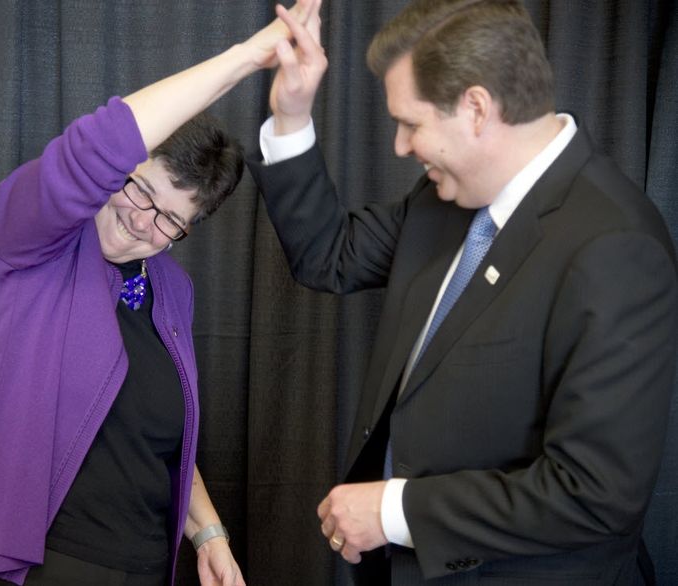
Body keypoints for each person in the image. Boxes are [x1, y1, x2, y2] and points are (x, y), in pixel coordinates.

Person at [248, 0, 678, 583]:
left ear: (477, 108)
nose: (400, 146)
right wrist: (291, 114)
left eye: (412, 123)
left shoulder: (615, 247)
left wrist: (394, 511)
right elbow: (330, 256)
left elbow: (595, 495)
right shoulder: (447, 198)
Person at [0, 2, 318, 585]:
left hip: (132, 564)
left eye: (172, 221)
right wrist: (246, 58)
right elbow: (93, 148)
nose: (146, 223)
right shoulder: (30, 235)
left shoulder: (170, 289)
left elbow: (152, 437)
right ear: (118, 171)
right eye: (142, 191)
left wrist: (209, 532)